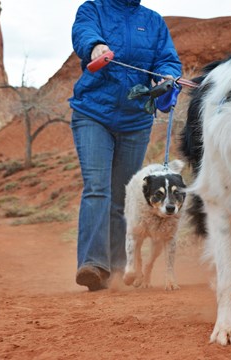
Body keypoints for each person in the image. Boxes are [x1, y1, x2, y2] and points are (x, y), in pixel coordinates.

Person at [69, 0, 182, 291]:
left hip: (136, 121)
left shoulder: (153, 21)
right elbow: (84, 32)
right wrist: (95, 46)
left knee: (122, 196)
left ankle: (117, 269)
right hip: (93, 113)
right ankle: (93, 264)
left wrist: (166, 76)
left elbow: (167, 59)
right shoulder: (93, 9)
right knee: (97, 188)